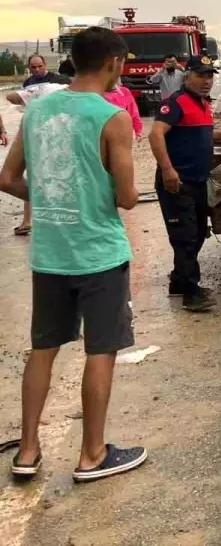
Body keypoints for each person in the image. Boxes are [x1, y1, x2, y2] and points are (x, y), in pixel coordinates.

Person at [0, 26, 147, 483]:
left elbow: (7, 179)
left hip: (50, 254)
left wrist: (46, 202)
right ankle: (92, 454)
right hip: (98, 253)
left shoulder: (37, 110)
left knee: (42, 349)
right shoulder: (111, 117)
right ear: (114, 63)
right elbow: (126, 197)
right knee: (100, 351)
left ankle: (27, 451)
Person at [148, 56, 221, 312]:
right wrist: (168, 170)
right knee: (185, 237)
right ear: (187, 75)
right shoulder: (176, 103)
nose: (207, 81)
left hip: (198, 181)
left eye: (210, 76)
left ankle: (180, 281)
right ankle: (192, 294)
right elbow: (156, 133)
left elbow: (200, 133)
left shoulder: (202, 104)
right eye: (201, 75)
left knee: (196, 234)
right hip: (177, 182)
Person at [6, 55, 71, 236]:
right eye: (33, 67)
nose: (36, 70)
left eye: (39, 66)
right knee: (33, 175)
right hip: (35, 131)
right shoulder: (28, 82)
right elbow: (17, 100)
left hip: (57, 131)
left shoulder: (58, 81)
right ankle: (28, 220)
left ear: (45, 65)